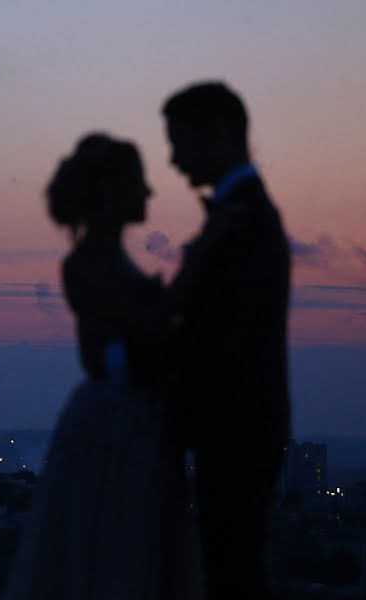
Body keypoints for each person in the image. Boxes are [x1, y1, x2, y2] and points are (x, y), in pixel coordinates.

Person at [4, 134, 203, 600]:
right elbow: (133, 342)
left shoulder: (104, 261)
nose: (149, 193)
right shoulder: (88, 264)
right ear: (112, 191)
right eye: (139, 182)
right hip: (116, 429)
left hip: (131, 423)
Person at [162, 81, 291, 600]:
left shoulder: (245, 219)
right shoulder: (243, 213)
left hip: (235, 423)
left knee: (231, 572)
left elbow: (219, 336)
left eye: (179, 142)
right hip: (238, 422)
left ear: (216, 135)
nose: (172, 160)